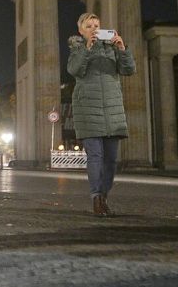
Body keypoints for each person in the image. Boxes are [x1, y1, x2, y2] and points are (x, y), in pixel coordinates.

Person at [66, 13, 136, 217]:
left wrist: (122, 49)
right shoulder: (77, 49)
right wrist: (87, 49)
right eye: (89, 26)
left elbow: (129, 70)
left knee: (111, 160)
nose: (94, 29)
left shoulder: (112, 48)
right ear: (81, 30)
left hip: (112, 109)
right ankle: (96, 197)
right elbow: (74, 69)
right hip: (88, 108)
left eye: (97, 25)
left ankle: (104, 196)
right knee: (95, 156)